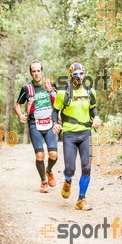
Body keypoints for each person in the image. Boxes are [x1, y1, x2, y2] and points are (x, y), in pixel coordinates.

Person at [52, 62, 101, 210]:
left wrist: (97, 117)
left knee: (86, 168)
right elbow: (55, 111)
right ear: (70, 75)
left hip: (85, 133)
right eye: (75, 74)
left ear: (84, 75)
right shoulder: (63, 93)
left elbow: (93, 110)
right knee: (70, 169)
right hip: (69, 134)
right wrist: (55, 123)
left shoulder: (90, 92)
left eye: (81, 74)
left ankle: (81, 200)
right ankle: (67, 181)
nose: (78, 77)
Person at [14, 60, 58, 193]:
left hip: (49, 123)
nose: (36, 73)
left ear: (42, 71)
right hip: (34, 124)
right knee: (40, 155)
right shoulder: (26, 88)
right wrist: (20, 115)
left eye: (38, 70)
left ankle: (49, 170)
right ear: (31, 73)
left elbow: (60, 102)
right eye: (34, 71)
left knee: (53, 155)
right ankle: (43, 181)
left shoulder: (50, 85)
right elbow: (17, 105)